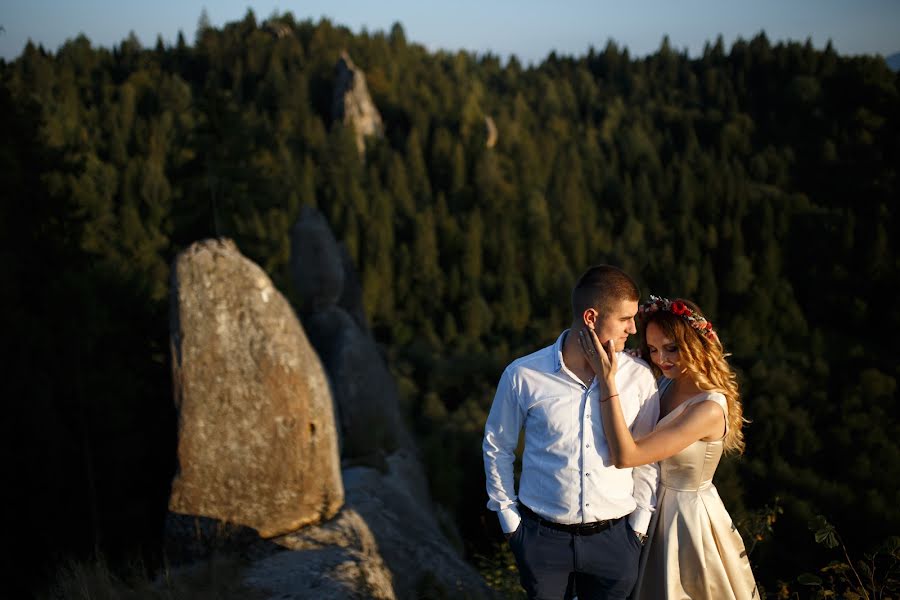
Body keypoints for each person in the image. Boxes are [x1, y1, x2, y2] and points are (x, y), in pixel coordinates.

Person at [483, 265, 660, 600]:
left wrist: (637, 529)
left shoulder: (639, 378)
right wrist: (510, 522)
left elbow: (647, 458)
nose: (633, 329)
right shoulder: (523, 374)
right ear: (591, 317)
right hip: (541, 542)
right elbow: (497, 446)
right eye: (625, 319)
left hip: (616, 542)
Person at [578, 294, 758, 599]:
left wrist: (608, 382)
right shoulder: (664, 382)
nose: (662, 359)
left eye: (672, 348)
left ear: (693, 343)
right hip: (647, 505)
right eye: (653, 349)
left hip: (686, 521)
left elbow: (627, 455)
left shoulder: (709, 408)